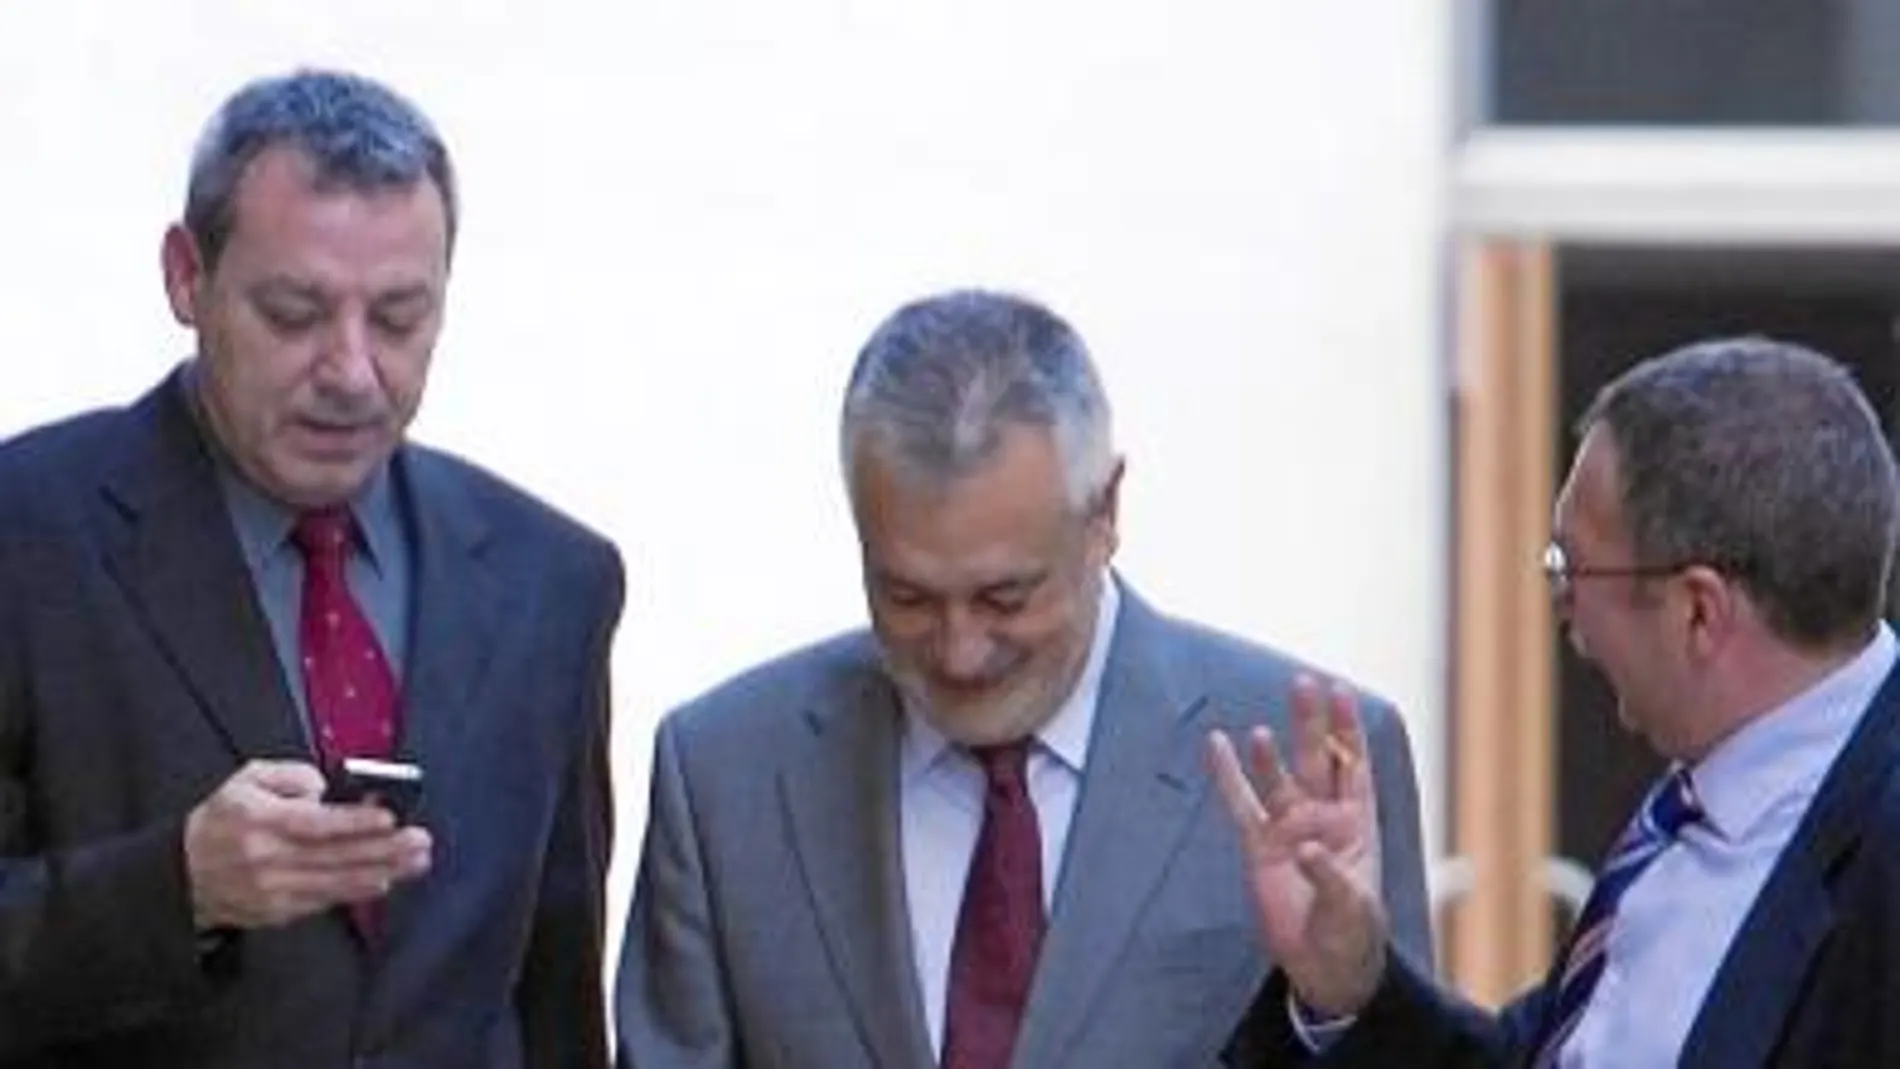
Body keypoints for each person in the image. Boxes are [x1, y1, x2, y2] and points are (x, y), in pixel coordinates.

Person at [614, 288, 1434, 1067]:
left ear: (1105, 511)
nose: (960, 650)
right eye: (907, 597)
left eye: (1006, 596)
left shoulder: (1304, 763)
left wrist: (1341, 1000)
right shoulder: (730, 776)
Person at [0, 69, 623, 1067]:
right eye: (294, 314)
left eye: (398, 317)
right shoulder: (26, 536)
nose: (351, 371)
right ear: (185, 277)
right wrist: (177, 888)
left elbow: (557, 995)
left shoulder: (552, 580)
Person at [1213, 336, 1900, 1068]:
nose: (1562, 609)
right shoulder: (1693, 803)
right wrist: (1350, 984)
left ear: (1699, 611)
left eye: (1570, 567)